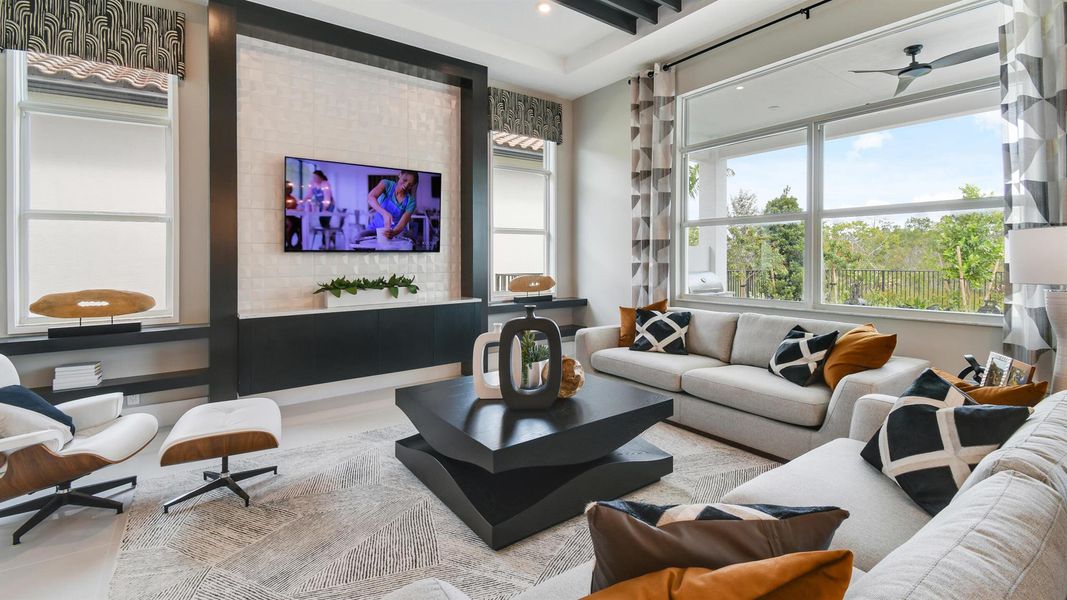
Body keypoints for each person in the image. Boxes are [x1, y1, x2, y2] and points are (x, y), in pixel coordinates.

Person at [362, 171, 419, 242]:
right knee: (358, 238)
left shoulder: (411, 202)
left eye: (410, 185)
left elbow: (402, 224)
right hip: (375, 228)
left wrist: (392, 233)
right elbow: (370, 197)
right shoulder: (387, 184)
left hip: (395, 232)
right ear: (400, 175)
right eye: (405, 180)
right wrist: (385, 214)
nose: (406, 185)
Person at [284, 181, 301, 249]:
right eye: (288, 188)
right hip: (285, 217)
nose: (290, 190)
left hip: (291, 216)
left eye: (291, 188)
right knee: (290, 224)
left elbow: (296, 207)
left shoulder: (292, 198)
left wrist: (299, 207)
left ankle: (299, 244)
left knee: (301, 223)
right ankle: (289, 244)